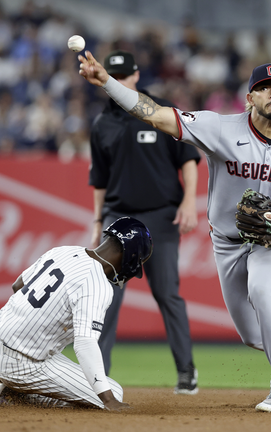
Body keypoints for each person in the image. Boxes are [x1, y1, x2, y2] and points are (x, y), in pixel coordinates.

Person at [78, 51, 271, 413]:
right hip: (227, 242)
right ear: (250, 98)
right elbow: (153, 113)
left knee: (263, 291)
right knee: (252, 336)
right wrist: (107, 81)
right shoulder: (219, 127)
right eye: (265, 88)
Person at [88, 50, 201, 395]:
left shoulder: (160, 111)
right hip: (118, 218)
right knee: (106, 297)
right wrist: (97, 222)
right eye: (114, 77)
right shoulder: (102, 124)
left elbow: (189, 158)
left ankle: (186, 372)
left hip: (160, 217)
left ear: (136, 77)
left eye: (125, 77)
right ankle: (98, 377)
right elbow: (100, 180)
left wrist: (190, 200)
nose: (120, 83)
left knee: (167, 293)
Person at [0, 217, 153, 411]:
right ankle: (15, 395)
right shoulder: (97, 285)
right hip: (21, 365)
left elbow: (17, 286)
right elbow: (85, 343)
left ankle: (14, 385)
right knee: (113, 391)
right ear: (130, 256)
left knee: (53, 343)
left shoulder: (64, 251)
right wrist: (108, 400)